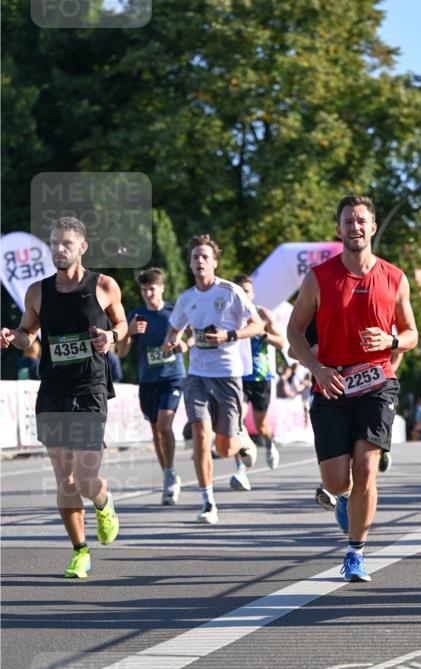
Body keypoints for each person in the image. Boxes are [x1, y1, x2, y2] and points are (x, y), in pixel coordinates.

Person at [287, 194, 418, 582]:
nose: (355, 226)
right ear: (339, 229)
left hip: (377, 383)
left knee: (366, 470)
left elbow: (410, 333)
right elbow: (294, 331)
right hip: (332, 385)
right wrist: (317, 369)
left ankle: (355, 552)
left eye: (361, 220)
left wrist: (391, 342)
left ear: (372, 227)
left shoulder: (395, 277)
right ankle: (343, 498)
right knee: (336, 481)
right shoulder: (318, 278)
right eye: (348, 221)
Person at [1, 216, 126, 578]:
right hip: (53, 390)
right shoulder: (37, 292)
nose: (58, 249)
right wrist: (12, 336)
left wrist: (112, 337)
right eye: (54, 243)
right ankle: (80, 551)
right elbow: (28, 334)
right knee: (65, 480)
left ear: (82, 247)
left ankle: (103, 501)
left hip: (90, 389)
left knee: (86, 480)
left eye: (66, 243)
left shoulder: (104, 285)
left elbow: (121, 324)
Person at [163, 234, 263, 523]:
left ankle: (241, 439)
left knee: (224, 447)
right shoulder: (186, 298)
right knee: (200, 437)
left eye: (205, 256)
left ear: (214, 262)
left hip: (227, 374)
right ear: (190, 263)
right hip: (197, 375)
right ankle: (208, 503)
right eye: (195, 257)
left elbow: (257, 326)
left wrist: (229, 335)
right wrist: (172, 342)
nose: (200, 261)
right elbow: (174, 330)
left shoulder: (231, 292)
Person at [117, 267, 187, 504]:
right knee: (156, 430)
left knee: (165, 425)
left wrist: (184, 345)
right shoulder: (136, 315)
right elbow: (122, 352)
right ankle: (168, 473)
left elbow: (190, 336)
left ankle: (170, 474)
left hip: (172, 376)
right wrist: (129, 333)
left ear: (162, 288)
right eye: (144, 290)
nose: (148, 294)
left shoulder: (174, 311)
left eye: (152, 289)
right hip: (148, 379)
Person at [233, 274, 286, 476]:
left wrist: (262, 334)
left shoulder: (262, 314)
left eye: (246, 291)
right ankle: (241, 470)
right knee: (236, 421)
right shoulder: (229, 316)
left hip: (260, 377)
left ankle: (269, 443)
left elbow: (281, 342)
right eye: (239, 291)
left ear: (252, 294)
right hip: (238, 376)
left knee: (261, 426)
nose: (243, 295)